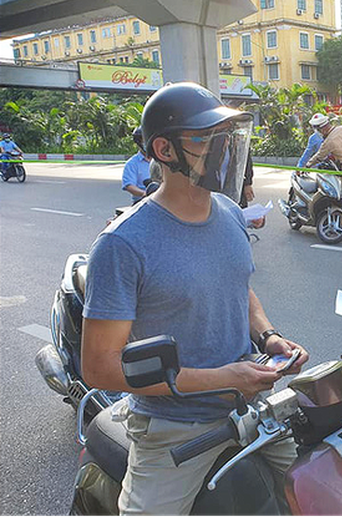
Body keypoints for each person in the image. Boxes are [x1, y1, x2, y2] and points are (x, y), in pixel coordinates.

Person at [81, 82, 309, 516]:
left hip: (252, 406)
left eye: (225, 135)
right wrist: (223, 377)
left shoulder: (228, 214)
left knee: (325, 485)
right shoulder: (123, 244)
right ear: (165, 150)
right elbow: (98, 366)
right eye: (206, 137)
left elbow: (236, 287)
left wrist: (269, 337)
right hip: (173, 427)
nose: (222, 148)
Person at [121, 127, 151, 203]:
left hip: (162, 200)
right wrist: (144, 193)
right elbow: (129, 186)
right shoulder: (132, 163)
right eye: (145, 140)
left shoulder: (161, 160)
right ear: (139, 142)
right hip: (141, 201)